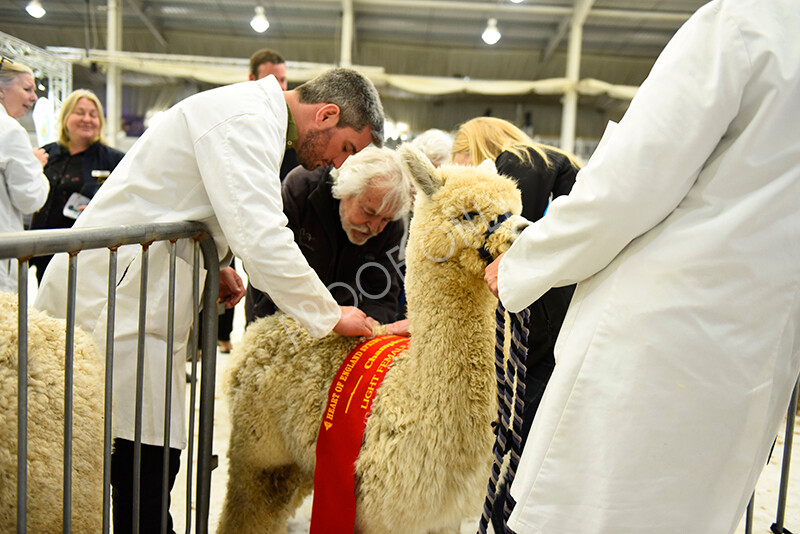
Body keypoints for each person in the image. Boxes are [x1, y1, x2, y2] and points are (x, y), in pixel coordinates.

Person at [484, 0, 800, 531]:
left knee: (590, 508)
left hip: (660, 339)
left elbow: (628, 183)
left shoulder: (741, 23)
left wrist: (522, 263)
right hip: (756, 351)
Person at [35, 66, 384, 534]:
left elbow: (197, 201)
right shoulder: (243, 119)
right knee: (128, 463)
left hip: (142, 298)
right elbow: (262, 238)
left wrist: (215, 259)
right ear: (326, 114)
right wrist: (329, 314)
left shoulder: (252, 120)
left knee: (148, 458)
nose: (339, 165)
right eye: (346, 149)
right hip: (113, 302)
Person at [451, 116, 581, 532]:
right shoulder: (555, 164)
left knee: (523, 428)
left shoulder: (518, 164)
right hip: (567, 308)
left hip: (543, 315)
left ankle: (511, 518)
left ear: (474, 149)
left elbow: (503, 235)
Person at [244, 146, 411, 335]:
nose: (375, 227)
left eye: (385, 219)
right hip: (276, 315)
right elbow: (271, 264)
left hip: (340, 324)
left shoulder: (391, 226)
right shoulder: (302, 189)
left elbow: (381, 290)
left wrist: (374, 326)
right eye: (368, 212)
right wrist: (328, 313)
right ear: (345, 191)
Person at [29, 89, 125, 283]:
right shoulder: (45, 155)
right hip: (42, 250)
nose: (87, 119)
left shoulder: (114, 160)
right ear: (65, 118)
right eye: (79, 112)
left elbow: (127, 201)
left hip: (84, 253)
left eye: (93, 114)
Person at [0, 58, 50, 291]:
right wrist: (36, 166)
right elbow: (30, 199)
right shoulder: (9, 130)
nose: (34, 97)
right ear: (2, 90)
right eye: (26, 89)